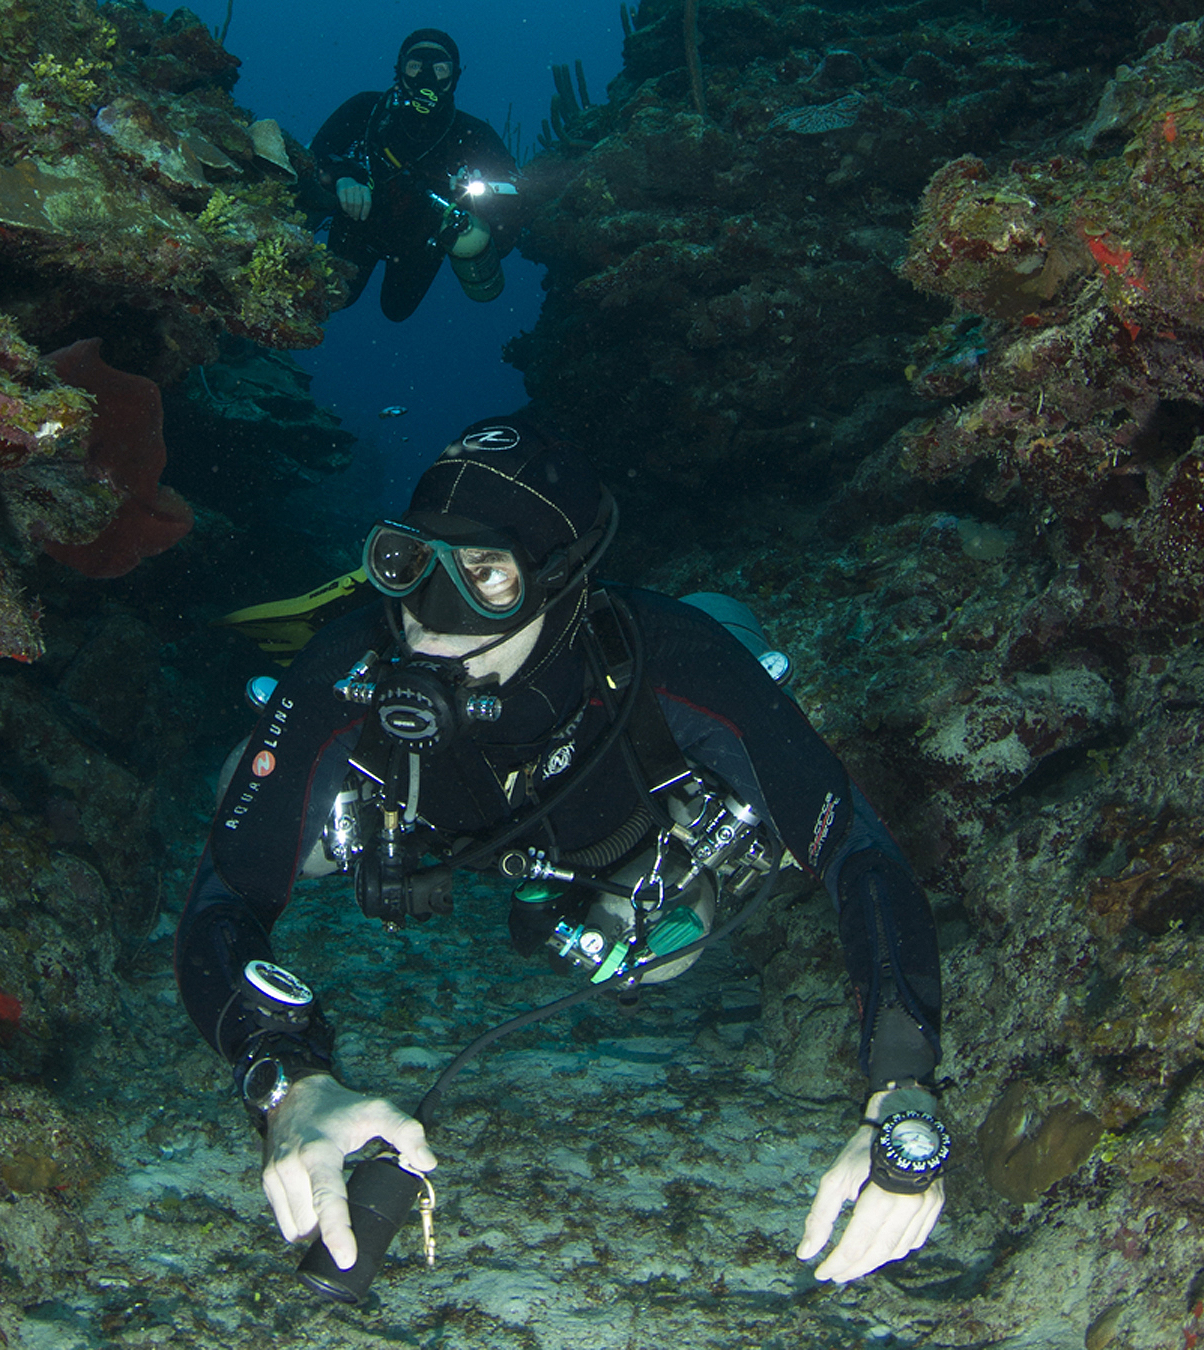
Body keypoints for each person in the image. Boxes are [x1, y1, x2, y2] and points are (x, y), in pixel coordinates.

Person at [175, 413, 949, 1292]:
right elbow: (225, 895)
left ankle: (684, 855)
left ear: (562, 581)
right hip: (424, 825)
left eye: (487, 575)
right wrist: (288, 1083)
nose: (430, 618)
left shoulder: (673, 659)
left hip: (627, 845)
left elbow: (856, 845)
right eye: (407, 563)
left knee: (646, 958)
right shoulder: (348, 663)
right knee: (244, 784)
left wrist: (901, 1090)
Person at [309, 30, 524, 321]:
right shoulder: (366, 108)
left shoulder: (473, 135)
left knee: (396, 310)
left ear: (454, 76)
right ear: (399, 69)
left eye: (439, 69)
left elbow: (515, 192)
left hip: (420, 246)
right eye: (415, 67)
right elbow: (314, 152)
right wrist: (342, 176)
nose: (426, 78)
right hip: (356, 228)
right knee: (334, 298)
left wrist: (477, 203)